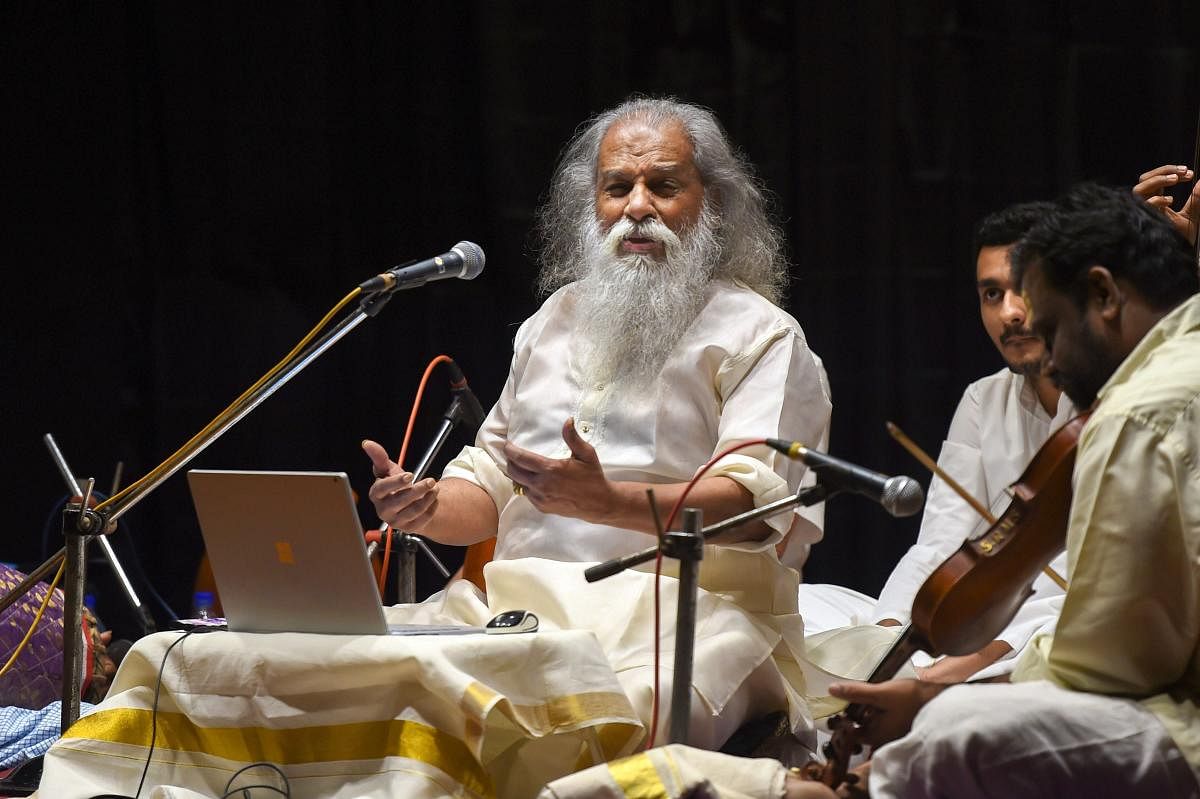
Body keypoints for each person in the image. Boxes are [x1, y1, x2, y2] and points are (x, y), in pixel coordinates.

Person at [363, 97, 832, 748]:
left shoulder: (762, 336)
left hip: (688, 618)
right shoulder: (552, 322)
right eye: (618, 187)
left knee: (593, 723)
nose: (637, 205)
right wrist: (424, 506)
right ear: (593, 206)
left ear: (714, 207)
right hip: (518, 614)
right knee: (370, 676)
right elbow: (489, 491)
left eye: (664, 186)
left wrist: (607, 501)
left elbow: (752, 510)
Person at [824, 184, 1200, 798]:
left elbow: (1109, 665)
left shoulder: (1138, 412)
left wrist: (934, 694)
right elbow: (942, 541)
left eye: (1051, 327)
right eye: (990, 296)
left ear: (1104, 294)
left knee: (957, 729)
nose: (1047, 358)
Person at [869, 202, 1077, 682]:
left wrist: (965, 666)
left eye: (1026, 289)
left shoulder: (1112, 399)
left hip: (1054, 634)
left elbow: (1083, 582)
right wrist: (883, 645)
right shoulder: (984, 399)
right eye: (991, 294)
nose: (1009, 313)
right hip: (979, 629)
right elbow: (941, 542)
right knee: (817, 613)